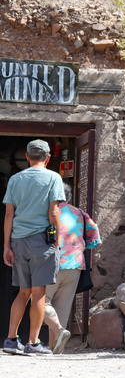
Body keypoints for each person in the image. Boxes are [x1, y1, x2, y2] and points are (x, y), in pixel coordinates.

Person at [2, 139, 65, 356]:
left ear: (27, 157)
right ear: (48, 158)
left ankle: (11, 340)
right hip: (42, 241)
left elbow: (9, 214)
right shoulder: (53, 177)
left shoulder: (15, 179)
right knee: (39, 293)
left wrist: (6, 246)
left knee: (23, 292)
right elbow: (54, 212)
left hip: (18, 240)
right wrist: (57, 241)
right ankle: (33, 342)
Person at [44, 183, 101, 354]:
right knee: (61, 308)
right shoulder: (80, 214)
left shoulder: (46, 212)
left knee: (40, 302)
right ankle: (54, 350)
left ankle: (59, 331)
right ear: (68, 196)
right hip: (74, 265)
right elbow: (95, 239)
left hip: (50, 264)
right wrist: (77, 246)